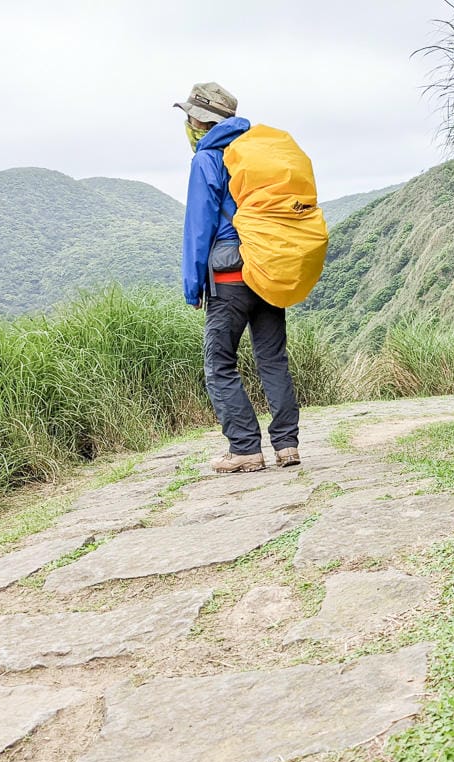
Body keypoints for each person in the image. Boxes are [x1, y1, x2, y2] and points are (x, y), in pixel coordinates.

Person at [175, 81, 301, 472]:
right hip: (267, 266)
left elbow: (199, 226)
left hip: (229, 276)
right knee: (272, 359)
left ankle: (245, 448)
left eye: (189, 116)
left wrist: (193, 284)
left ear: (199, 120)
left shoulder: (208, 157)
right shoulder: (256, 150)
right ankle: (286, 446)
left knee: (220, 364)